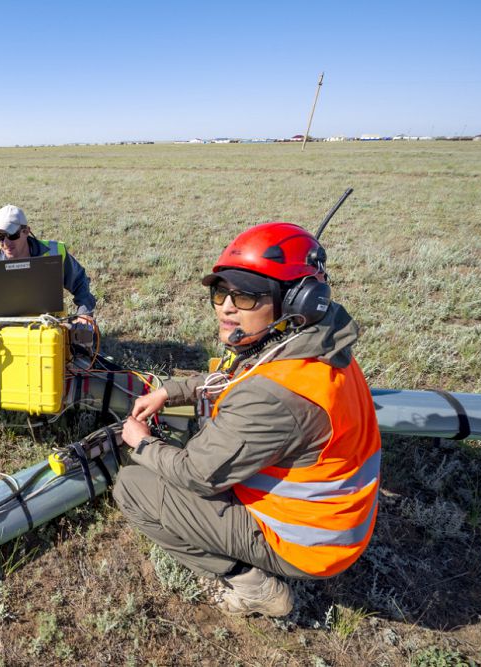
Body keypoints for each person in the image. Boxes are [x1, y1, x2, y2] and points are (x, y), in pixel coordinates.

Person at [112, 221, 381, 617]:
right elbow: (247, 374)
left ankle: (252, 586)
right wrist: (174, 391)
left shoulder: (273, 396)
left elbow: (195, 475)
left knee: (133, 487)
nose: (226, 307)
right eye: (220, 292)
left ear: (296, 304)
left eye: (247, 297)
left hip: (310, 543)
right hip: (336, 520)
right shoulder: (313, 345)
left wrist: (142, 442)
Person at [0, 205, 97, 319]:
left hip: (48, 324)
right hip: (2, 325)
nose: (5, 243)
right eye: (0, 237)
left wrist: (84, 314)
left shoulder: (55, 252)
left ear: (26, 231)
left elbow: (80, 282)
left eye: (12, 235)